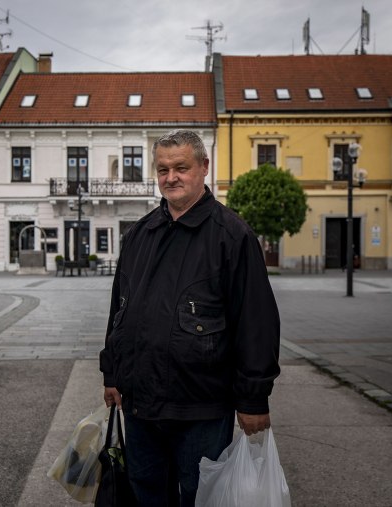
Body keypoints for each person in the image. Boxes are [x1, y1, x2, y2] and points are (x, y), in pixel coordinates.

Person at [99, 130, 281, 506]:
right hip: (140, 404)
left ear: (203, 167)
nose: (171, 177)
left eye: (181, 167)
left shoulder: (231, 236)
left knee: (200, 496)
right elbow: (120, 309)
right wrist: (112, 373)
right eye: (163, 169)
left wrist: (252, 398)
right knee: (146, 490)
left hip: (201, 405)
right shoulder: (139, 234)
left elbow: (256, 322)